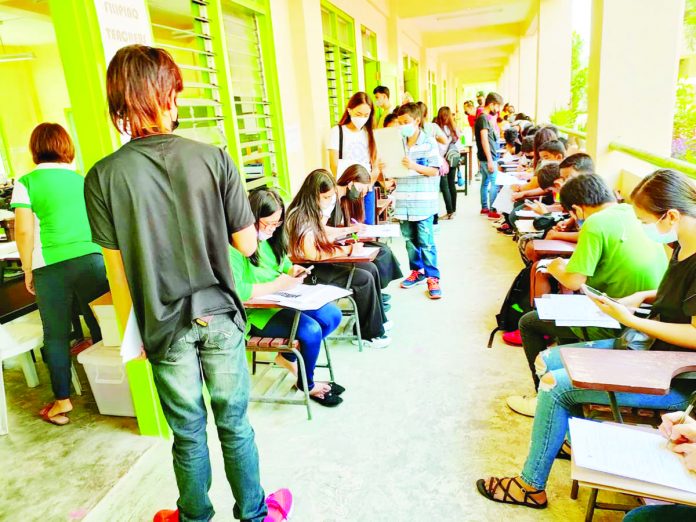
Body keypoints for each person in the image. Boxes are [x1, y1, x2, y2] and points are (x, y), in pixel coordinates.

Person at [83, 45, 290, 522]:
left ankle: (194, 516)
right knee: (235, 425)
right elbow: (244, 243)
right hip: (220, 311)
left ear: (120, 103)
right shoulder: (214, 158)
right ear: (167, 95)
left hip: (162, 324)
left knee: (188, 431)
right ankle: (255, 514)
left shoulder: (103, 176)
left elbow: (117, 270)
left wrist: (130, 334)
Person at [477, 168, 696, 510]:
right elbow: (677, 298)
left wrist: (626, 318)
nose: (641, 228)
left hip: (676, 376)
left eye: (643, 221)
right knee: (549, 359)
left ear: (670, 216)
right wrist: (643, 296)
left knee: (555, 384)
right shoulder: (682, 246)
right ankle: (560, 436)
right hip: (650, 350)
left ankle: (530, 486)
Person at [506, 173, 669, 416]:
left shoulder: (595, 224)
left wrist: (555, 268)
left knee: (529, 322)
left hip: (618, 320)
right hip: (647, 316)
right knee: (561, 316)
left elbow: (573, 280)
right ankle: (569, 388)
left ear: (577, 210)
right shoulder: (630, 213)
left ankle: (541, 398)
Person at [10, 123, 109, 426]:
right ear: (67, 147)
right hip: (92, 259)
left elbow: (24, 229)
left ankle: (62, 401)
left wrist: (27, 268)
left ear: (34, 149)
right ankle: (109, 387)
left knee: (55, 335)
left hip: (50, 265)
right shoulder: (82, 180)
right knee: (100, 324)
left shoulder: (27, 181)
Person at [229, 188, 344, 407]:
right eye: (267, 224)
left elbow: (284, 265)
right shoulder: (237, 246)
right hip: (256, 314)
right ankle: (307, 384)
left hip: (284, 299)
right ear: (250, 219)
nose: (272, 229)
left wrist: (294, 271)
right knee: (310, 331)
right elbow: (239, 290)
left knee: (332, 315)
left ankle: (289, 358)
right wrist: (277, 284)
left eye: (277, 223)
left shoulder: (271, 240)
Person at [285, 169, 392, 349]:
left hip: (317, 264)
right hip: (309, 271)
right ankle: (369, 335)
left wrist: (348, 231)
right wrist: (348, 250)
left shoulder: (311, 212)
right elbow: (313, 254)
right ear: (313, 195)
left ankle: (377, 321)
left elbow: (323, 232)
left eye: (330, 197)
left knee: (370, 269)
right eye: (325, 198)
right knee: (363, 278)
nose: (329, 202)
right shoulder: (299, 217)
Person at [330, 164, 403, 294]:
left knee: (384, 250)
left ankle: (377, 294)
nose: (362, 195)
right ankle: (375, 294)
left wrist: (352, 228)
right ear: (350, 182)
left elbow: (340, 226)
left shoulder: (346, 199)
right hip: (339, 244)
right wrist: (348, 231)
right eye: (361, 189)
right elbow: (330, 230)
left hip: (346, 239)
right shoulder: (331, 200)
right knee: (376, 259)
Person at [327, 91, 381, 225]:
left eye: (366, 115)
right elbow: (334, 164)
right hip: (346, 191)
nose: (362, 118)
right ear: (349, 110)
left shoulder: (370, 134)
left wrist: (367, 185)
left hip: (367, 190)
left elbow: (375, 165)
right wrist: (351, 188)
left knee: (367, 229)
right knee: (350, 229)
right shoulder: (337, 132)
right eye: (358, 114)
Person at [475, 92, 504, 218]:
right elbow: (484, 140)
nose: (497, 111)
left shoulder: (484, 118)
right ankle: (492, 209)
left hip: (485, 157)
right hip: (489, 158)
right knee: (494, 183)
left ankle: (485, 208)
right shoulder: (483, 118)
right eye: (497, 107)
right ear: (491, 104)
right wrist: (490, 160)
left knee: (485, 183)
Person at [433, 106, 461, 220]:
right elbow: (459, 144)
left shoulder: (438, 129)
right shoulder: (454, 129)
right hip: (452, 158)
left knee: (444, 186)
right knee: (451, 184)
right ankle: (453, 210)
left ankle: (449, 212)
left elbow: (438, 147)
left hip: (442, 159)